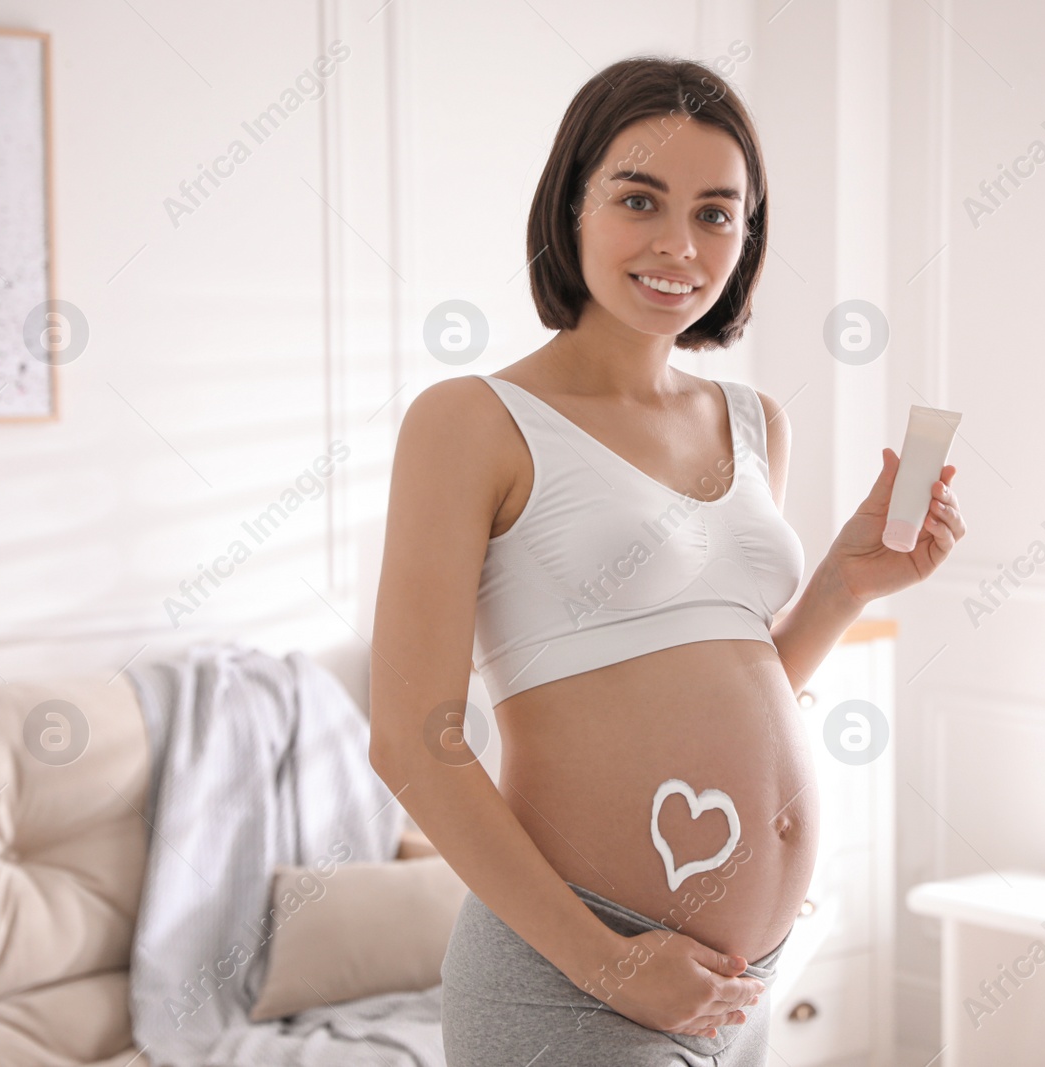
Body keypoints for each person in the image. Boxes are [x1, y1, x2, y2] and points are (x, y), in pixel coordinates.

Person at [368, 54, 964, 1067]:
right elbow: (408, 739)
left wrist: (845, 582)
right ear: (570, 206)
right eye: (639, 198)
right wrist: (607, 964)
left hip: (737, 979)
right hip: (577, 974)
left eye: (717, 213)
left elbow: (730, 675)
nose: (679, 245)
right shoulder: (471, 423)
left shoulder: (751, 419)